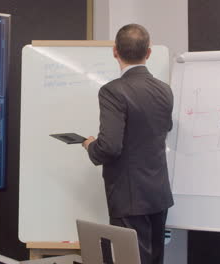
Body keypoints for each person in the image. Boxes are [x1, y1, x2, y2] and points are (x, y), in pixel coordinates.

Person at [82, 24, 174, 264]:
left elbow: (110, 147)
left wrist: (90, 145)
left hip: (129, 198)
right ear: (149, 52)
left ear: (115, 51)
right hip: (158, 195)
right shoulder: (165, 90)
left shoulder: (113, 91)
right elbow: (164, 129)